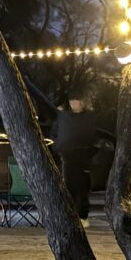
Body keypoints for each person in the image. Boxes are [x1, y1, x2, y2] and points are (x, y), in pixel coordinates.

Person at [50, 95, 97, 227]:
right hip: (68, 156)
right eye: (75, 100)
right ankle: (71, 215)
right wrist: (58, 146)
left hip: (82, 156)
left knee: (82, 187)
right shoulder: (64, 118)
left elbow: (91, 136)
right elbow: (54, 133)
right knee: (70, 186)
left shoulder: (87, 117)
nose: (77, 103)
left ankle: (82, 216)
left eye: (79, 100)